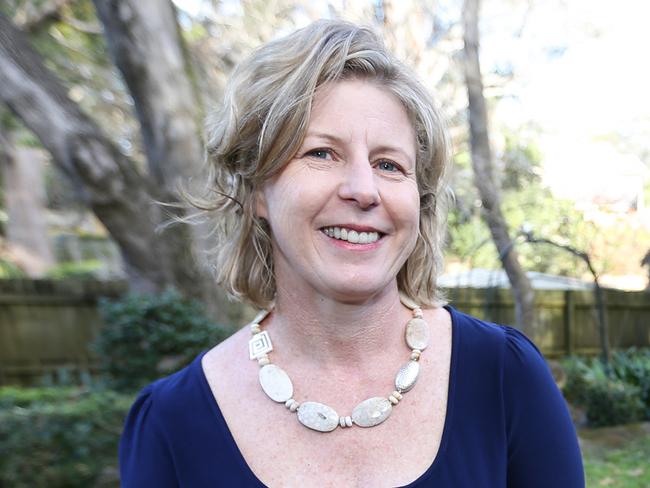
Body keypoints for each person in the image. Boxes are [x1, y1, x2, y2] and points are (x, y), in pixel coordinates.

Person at [119, 20, 585, 487]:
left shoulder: (504, 378)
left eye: (389, 164)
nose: (364, 190)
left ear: (418, 203)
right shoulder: (171, 423)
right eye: (322, 153)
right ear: (258, 189)